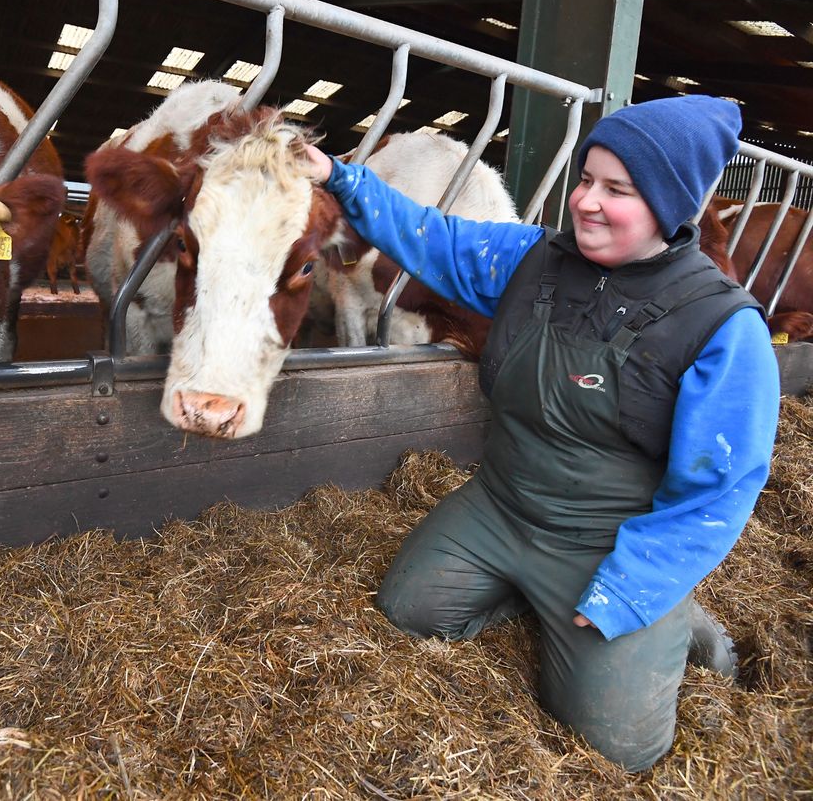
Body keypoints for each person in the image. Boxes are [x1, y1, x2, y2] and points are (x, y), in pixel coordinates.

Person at [305, 95, 780, 772]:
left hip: (608, 538)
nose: (586, 200)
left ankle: (673, 614)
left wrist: (631, 587)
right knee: (407, 609)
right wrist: (340, 176)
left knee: (617, 750)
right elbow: (431, 237)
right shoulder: (534, 261)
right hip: (503, 503)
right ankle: (536, 594)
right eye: (586, 179)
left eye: (616, 189)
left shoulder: (720, 328)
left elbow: (719, 489)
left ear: (670, 205)